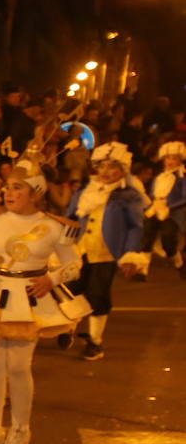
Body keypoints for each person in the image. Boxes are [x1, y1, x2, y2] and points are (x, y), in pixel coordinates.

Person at [0, 159, 87, 444]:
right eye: (7, 188)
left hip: (30, 301)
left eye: (18, 188)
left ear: (35, 193)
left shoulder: (54, 226)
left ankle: (20, 429)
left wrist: (51, 278)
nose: (8, 193)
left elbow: (74, 265)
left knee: (18, 367)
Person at [66, 142, 147, 360]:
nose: (106, 171)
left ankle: (95, 341)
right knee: (70, 290)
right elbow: (70, 218)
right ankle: (67, 328)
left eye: (112, 167)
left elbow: (135, 227)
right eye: (102, 166)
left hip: (105, 252)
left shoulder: (129, 195)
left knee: (97, 295)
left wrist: (131, 253)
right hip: (79, 250)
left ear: (123, 170)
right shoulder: (85, 191)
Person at [140, 140, 186, 278]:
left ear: (179, 160)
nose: (170, 161)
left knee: (168, 241)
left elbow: (185, 197)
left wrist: (170, 207)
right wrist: (152, 204)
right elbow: (153, 193)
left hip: (172, 213)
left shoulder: (182, 178)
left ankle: (179, 263)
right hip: (155, 209)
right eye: (167, 158)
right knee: (146, 237)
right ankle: (143, 270)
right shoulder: (159, 177)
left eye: (174, 158)